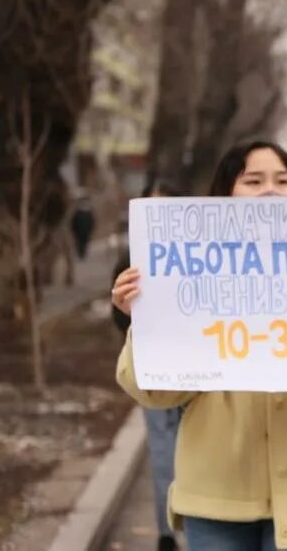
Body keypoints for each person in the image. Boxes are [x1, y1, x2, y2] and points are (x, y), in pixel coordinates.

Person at [112, 141, 287, 551]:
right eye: (253, 181)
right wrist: (147, 320)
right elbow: (154, 392)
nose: (271, 191)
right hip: (216, 502)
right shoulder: (188, 274)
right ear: (225, 196)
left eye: (282, 180)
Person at [111, 178, 184, 551]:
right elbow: (118, 316)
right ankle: (167, 533)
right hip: (155, 372)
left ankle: (179, 522)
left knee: (183, 450)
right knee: (161, 451)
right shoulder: (132, 258)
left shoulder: (197, 255)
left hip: (195, 375)